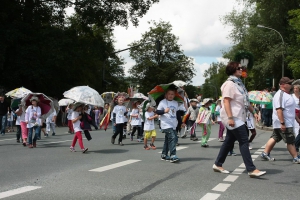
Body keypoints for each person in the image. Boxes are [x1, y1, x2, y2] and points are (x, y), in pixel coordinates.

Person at [213, 61, 266, 177]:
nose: (241, 70)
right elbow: (226, 101)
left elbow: (245, 102)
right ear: (232, 70)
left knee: (229, 141)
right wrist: (230, 118)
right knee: (244, 140)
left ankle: (218, 164)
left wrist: (254, 112)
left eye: (241, 68)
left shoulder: (239, 84)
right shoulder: (229, 84)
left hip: (239, 116)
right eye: (238, 68)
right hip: (233, 116)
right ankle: (251, 169)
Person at [261, 77, 300, 163]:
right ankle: (296, 157)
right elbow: (279, 110)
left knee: (275, 137)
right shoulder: (280, 95)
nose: (291, 85)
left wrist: (296, 118)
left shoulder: (287, 94)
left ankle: (265, 153)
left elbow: (290, 109)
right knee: (290, 140)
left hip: (285, 122)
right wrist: (282, 123)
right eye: (289, 83)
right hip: (284, 122)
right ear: (283, 85)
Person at [156, 87, 180, 163]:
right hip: (165, 124)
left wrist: (181, 122)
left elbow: (178, 114)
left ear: (174, 95)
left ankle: (164, 155)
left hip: (173, 124)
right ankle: (173, 155)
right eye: (169, 94)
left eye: (172, 94)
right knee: (173, 138)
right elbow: (157, 112)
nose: (170, 95)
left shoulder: (175, 103)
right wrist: (164, 111)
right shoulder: (162, 102)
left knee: (168, 140)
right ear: (166, 95)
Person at [292, 84, 300, 152]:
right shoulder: (291, 96)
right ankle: (296, 145)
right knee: (296, 128)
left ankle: (296, 144)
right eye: (294, 88)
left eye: (296, 88)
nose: (295, 89)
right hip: (294, 113)